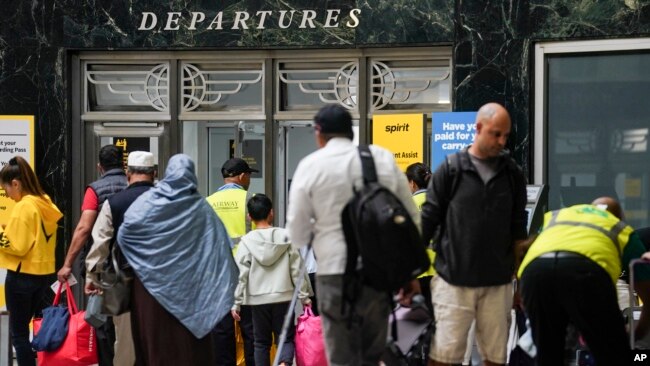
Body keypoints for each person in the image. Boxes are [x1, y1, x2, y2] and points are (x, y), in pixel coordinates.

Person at [286, 104, 421, 365]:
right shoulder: (380, 159)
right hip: (376, 275)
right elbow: (411, 218)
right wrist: (408, 274)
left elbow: (297, 235)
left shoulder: (311, 166)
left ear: (319, 133)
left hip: (334, 275)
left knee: (341, 357)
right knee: (373, 354)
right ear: (350, 131)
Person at [420, 102, 528, 366]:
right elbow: (427, 222)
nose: (502, 141)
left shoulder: (512, 174)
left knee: (495, 358)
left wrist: (521, 282)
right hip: (453, 282)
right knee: (445, 357)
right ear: (478, 128)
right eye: (495, 134)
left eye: (506, 135)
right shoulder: (451, 169)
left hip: (498, 284)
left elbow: (518, 233)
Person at [117, 154, 238, 365]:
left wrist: (144, 261)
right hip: (192, 292)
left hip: (150, 289)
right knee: (189, 349)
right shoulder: (200, 209)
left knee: (156, 343)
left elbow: (125, 235)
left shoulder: (148, 202)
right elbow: (219, 247)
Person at [518, 197, 650, 365]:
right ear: (619, 217)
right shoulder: (620, 230)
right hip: (585, 274)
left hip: (534, 274)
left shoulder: (556, 217)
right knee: (614, 355)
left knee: (547, 356)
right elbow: (648, 298)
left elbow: (526, 251)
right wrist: (634, 335)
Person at [57, 144, 127, 366]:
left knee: (103, 323)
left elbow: (84, 228)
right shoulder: (132, 186)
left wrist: (67, 263)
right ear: (124, 165)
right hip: (131, 264)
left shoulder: (95, 190)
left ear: (99, 167)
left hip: (104, 266)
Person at [84, 151, 156, 366]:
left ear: (128, 174)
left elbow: (100, 242)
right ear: (154, 174)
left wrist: (93, 276)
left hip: (123, 281)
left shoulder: (114, 203)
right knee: (160, 339)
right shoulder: (170, 202)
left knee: (126, 343)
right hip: (163, 281)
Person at [230, 194, 312, 366]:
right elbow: (297, 269)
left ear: (249, 217)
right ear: (271, 213)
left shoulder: (246, 243)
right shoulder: (286, 238)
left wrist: (236, 303)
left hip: (257, 300)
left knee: (260, 343)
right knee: (285, 338)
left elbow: (241, 275)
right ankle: (283, 364)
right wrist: (305, 296)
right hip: (284, 297)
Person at [0, 156, 63, 366]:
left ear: (16, 183)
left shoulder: (24, 207)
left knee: (18, 334)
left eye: (6, 188)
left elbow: (17, 245)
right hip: (42, 275)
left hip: (21, 276)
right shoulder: (44, 201)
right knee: (27, 325)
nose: (7, 195)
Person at [207, 157, 259, 366]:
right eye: (248, 175)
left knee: (221, 330)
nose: (249, 179)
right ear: (241, 176)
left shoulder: (207, 202)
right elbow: (259, 236)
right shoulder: (250, 200)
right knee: (250, 328)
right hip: (245, 270)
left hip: (218, 272)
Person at [405, 162, 435, 314]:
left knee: (419, 319)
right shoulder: (439, 202)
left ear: (412, 183)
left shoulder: (408, 205)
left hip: (418, 272)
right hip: (440, 270)